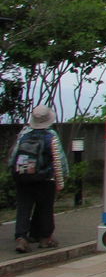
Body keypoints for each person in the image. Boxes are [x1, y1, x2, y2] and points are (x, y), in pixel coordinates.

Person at [8, 105, 68, 253]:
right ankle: (45, 238)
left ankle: (21, 238)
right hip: (45, 178)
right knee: (45, 207)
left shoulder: (25, 134)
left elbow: (13, 158)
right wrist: (64, 175)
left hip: (23, 178)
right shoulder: (51, 136)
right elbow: (59, 159)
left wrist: (15, 172)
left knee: (24, 207)